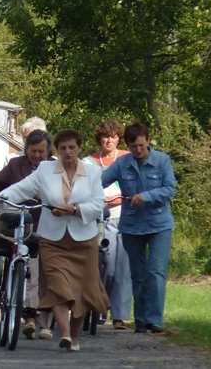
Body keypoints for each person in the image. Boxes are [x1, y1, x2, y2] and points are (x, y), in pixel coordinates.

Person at [0, 130, 109, 352]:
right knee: (57, 287)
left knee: (83, 292)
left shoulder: (92, 172)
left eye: (72, 147)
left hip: (84, 240)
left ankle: (75, 336)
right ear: (57, 151)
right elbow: (22, 188)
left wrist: (75, 209)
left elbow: (99, 203)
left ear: (79, 148)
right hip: (52, 239)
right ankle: (65, 335)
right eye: (63, 148)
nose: (68, 152)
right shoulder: (45, 170)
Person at [0, 130, 55, 340]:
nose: (37, 156)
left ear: (48, 151)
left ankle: (37, 316)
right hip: (16, 222)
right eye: (33, 151)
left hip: (43, 223)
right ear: (26, 150)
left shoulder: (55, 168)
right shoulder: (16, 166)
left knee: (42, 268)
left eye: (41, 152)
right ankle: (17, 303)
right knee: (14, 253)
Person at [101, 122, 176, 334]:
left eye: (141, 146)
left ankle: (155, 319)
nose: (138, 150)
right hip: (132, 227)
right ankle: (141, 319)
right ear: (128, 145)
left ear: (148, 141)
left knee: (156, 272)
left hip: (159, 225)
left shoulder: (162, 161)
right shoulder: (122, 164)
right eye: (133, 147)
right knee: (138, 274)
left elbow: (170, 189)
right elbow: (100, 181)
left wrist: (146, 197)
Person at [83, 119, 133, 330]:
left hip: (126, 216)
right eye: (105, 137)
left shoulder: (127, 158)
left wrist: (123, 197)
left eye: (113, 136)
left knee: (124, 268)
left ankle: (120, 316)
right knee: (107, 266)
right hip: (99, 218)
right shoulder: (88, 161)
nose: (109, 140)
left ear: (118, 138)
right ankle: (99, 303)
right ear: (99, 139)